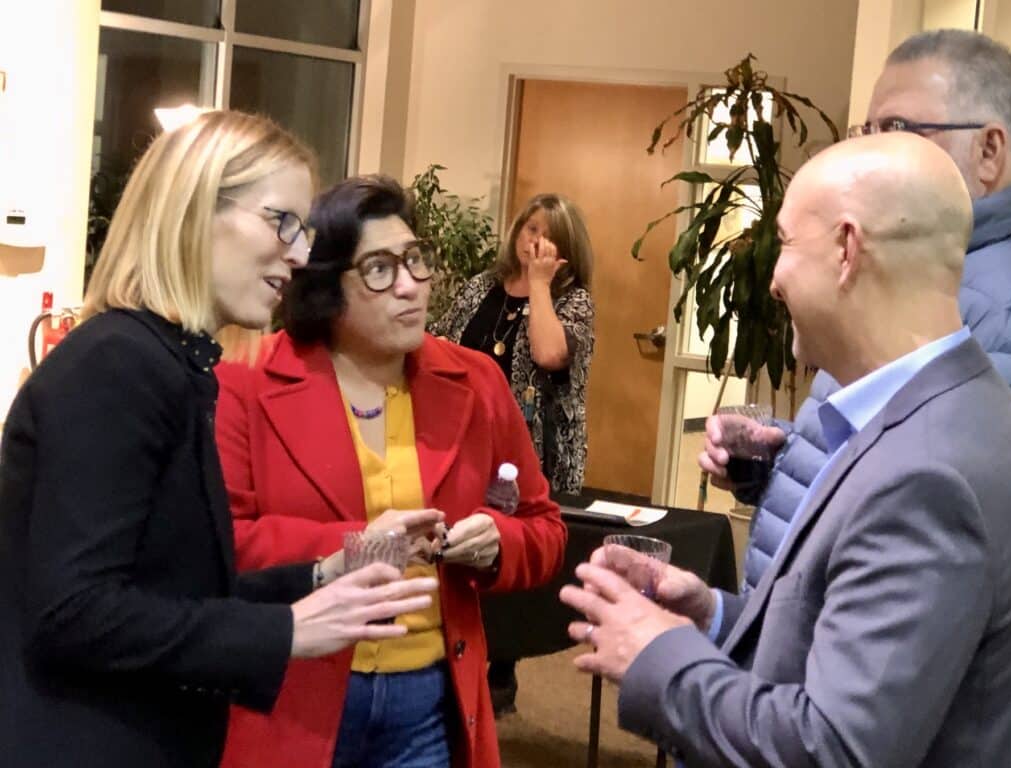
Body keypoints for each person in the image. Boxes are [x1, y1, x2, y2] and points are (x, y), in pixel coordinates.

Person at [562, 132, 1011, 766]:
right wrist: (714, 618)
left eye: (782, 243)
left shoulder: (926, 477)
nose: (773, 281)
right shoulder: (953, 415)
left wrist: (659, 652)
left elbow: (831, 749)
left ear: (845, 249)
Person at [0, 111, 438, 768]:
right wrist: (287, 631)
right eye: (282, 223)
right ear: (195, 209)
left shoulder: (170, 364)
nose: (298, 255)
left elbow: (173, 589)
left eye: (306, 232)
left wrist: (323, 575)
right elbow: (75, 613)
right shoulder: (117, 364)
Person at [214, 174, 567, 768]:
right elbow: (219, 545)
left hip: (427, 702)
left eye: (415, 261)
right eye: (379, 269)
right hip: (291, 695)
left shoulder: (477, 381)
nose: (410, 287)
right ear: (326, 287)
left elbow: (543, 527)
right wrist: (357, 548)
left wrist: (496, 543)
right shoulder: (246, 380)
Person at [701, 28, 1011, 607]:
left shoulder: (1006, 309)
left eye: (897, 131)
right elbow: (881, 458)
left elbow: (938, 525)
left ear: (990, 152)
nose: (869, 152)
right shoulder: (900, 266)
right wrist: (780, 465)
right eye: (867, 132)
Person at [431, 192, 594, 714]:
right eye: (530, 230)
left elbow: (549, 355)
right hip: (461, 440)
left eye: (548, 236)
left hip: (534, 447)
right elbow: (437, 345)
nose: (536, 243)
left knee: (510, 547)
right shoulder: (480, 286)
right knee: (460, 542)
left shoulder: (575, 301)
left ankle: (502, 669)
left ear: (565, 249)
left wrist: (540, 287)